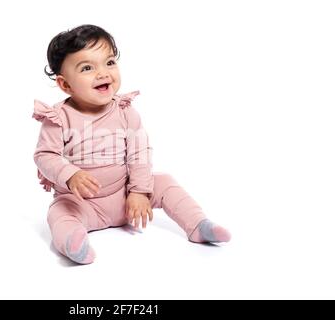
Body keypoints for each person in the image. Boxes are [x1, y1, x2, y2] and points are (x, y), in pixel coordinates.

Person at [33, 24, 231, 264]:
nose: (103, 73)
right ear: (65, 85)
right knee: (60, 211)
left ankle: (198, 224)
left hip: (126, 198)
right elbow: (45, 155)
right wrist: (70, 174)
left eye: (109, 62)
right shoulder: (59, 118)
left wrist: (138, 191)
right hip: (83, 203)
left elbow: (139, 153)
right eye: (87, 68)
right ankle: (73, 243)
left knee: (164, 181)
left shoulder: (125, 111)